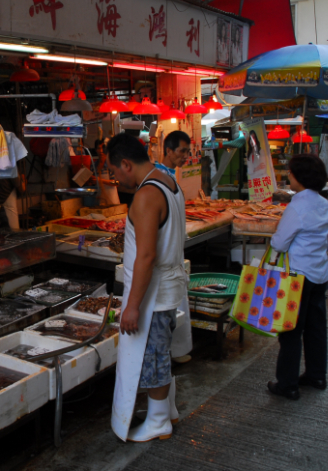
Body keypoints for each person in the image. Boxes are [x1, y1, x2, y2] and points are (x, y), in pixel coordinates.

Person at [107, 133, 187, 442]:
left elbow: (147, 255)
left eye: (114, 172)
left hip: (155, 293)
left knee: (153, 357)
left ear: (126, 164)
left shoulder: (146, 196)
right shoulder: (168, 182)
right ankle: (167, 410)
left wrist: (132, 306)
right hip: (169, 287)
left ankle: (158, 422)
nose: (114, 178)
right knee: (161, 352)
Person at [268, 154, 328, 400]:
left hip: (297, 278)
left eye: (290, 173)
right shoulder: (324, 204)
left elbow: (279, 242)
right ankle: (316, 375)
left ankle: (287, 384)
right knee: (315, 328)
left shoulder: (296, 207)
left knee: (290, 331)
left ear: (300, 177)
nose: (288, 176)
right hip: (319, 274)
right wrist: (319, 250)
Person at [156, 131, 194, 365]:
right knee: (169, 304)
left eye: (187, 152)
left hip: (174, 254)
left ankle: (177, 349)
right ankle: (170, 352)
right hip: (166, 255)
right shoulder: (157, 180)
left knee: (177, 301)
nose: (185, 156)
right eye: (182, 151)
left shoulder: (171, 178)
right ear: (168, 151)